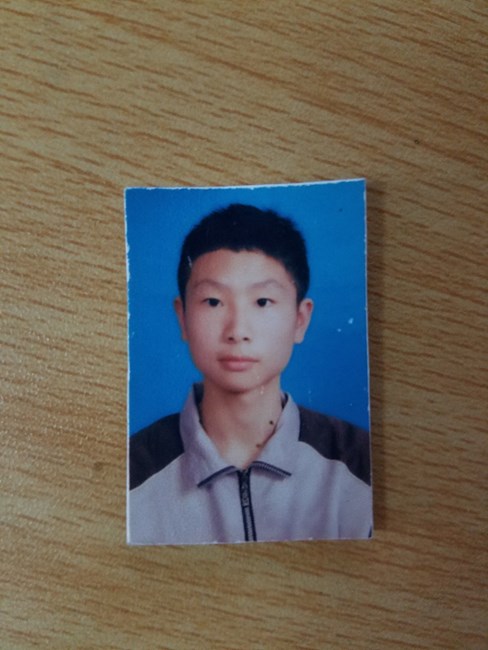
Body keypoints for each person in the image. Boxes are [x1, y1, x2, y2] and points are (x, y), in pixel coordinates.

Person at [128, 203, 372, 544]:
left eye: (262, 302)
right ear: (182, 318)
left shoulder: (360, 464)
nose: (238, 331)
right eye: (213, 302)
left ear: (300, 320)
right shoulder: (133, 473)